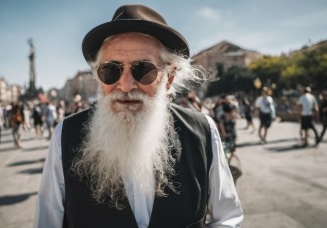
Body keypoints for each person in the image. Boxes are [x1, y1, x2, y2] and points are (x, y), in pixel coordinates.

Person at [34, 5, 243, 228]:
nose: (125, 85)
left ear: (169, 78)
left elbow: (227, 217)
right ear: (98, 76)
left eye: (143, 70)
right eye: (111, 70)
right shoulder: (64, 136)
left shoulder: (202, 132)